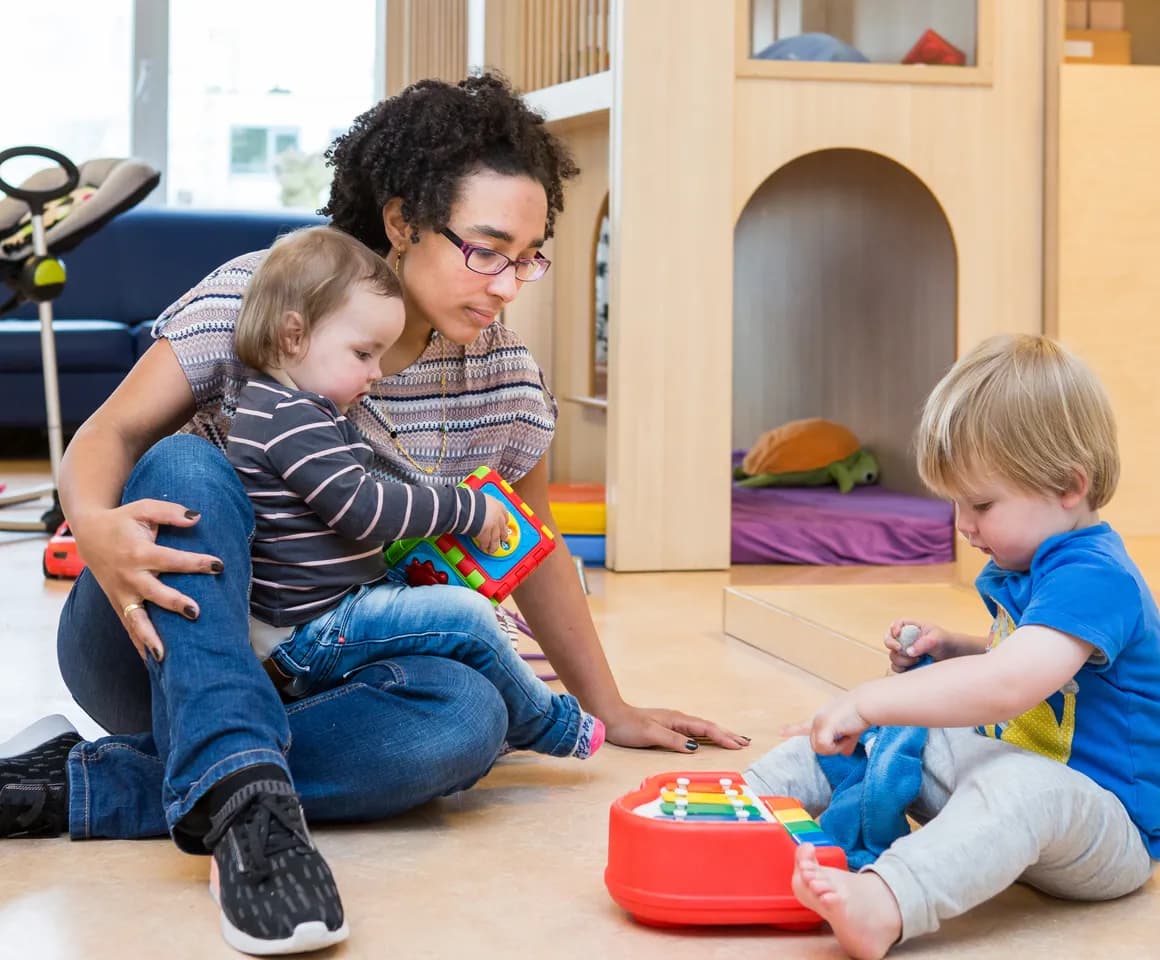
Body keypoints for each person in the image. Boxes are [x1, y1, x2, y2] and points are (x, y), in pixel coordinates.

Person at [0, 72, 745, 955]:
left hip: (324, 670)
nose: (510, 283)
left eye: (531, 255)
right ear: (401, 222)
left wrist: (607, 705)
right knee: (188, 462)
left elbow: (529, 550)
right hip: (156, 639)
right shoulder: (267, 294)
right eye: (487, 249)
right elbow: (109, 434)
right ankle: (251, 816)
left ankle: (102, 783)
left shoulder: (501, 374)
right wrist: (94, 527)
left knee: (473, 715)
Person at [745, 334, 1159, 960]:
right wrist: (955, 649)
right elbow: (1019, 662)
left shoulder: (1096, 577)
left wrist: (876, 698)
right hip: (1013, 790)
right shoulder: (1030, 563)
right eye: (957, 503)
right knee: (901, 733)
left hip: (1107, 831)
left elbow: (1012, 684)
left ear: (1069, 486)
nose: (964, 525)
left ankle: (887, 902)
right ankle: (743, 801)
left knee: (1005, 774)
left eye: (982, 504)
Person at [230, 224, 604, 758]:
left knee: (455, 621)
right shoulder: (289, 419)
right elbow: (364, 509)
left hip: (330, 617)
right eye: (363, 354)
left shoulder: (293, 411)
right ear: (293, 336)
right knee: (467, 617)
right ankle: (551, 725)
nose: (377, 372)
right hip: (313, 631)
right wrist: (466, 508)